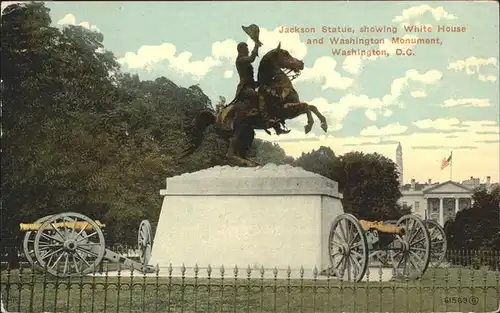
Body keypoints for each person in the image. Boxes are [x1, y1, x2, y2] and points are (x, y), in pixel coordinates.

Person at [232, 42, 289, 135]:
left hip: (251, 85)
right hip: (245, 88)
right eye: (246, 48)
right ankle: (267, 119)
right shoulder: (240, 59)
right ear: (241, 49)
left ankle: (277, 126)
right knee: (260, 97)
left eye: (248, 48)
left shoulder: (243, 59)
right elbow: (252, 58)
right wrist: (256, 45)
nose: (248, 50)